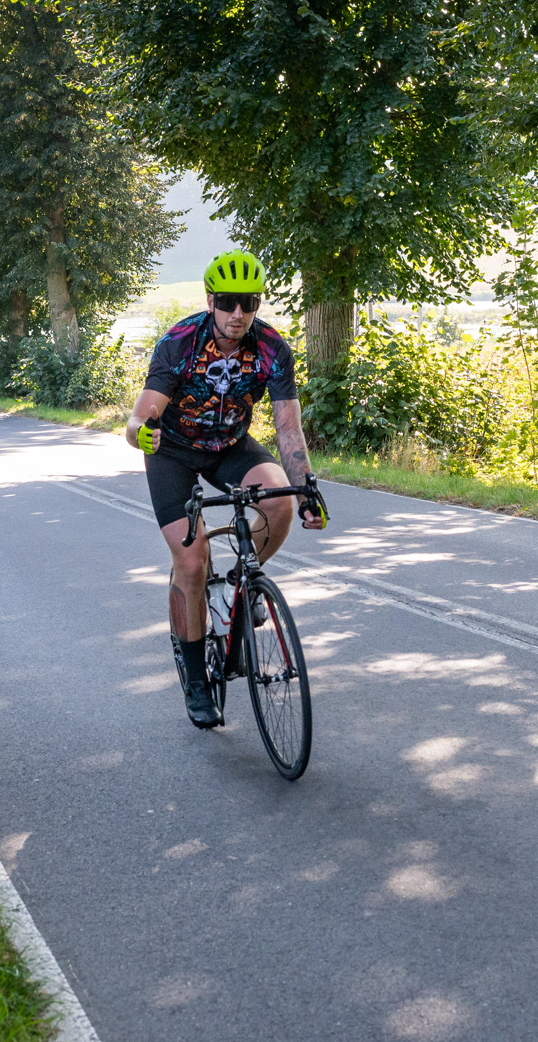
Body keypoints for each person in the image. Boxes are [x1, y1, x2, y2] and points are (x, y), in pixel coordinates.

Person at [122, 249, 327, 728]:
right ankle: (197, 679)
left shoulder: (272, 347)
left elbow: (288, 429)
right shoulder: (180, 342)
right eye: (229, 301)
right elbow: (137, 420)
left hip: (229, 445)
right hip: (172, 452)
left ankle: (241, 583)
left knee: (278, 501)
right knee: (192, 562)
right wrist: (141, 435)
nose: (238, 313)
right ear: (211, 300)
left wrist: (306, 491)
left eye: (249, 302)